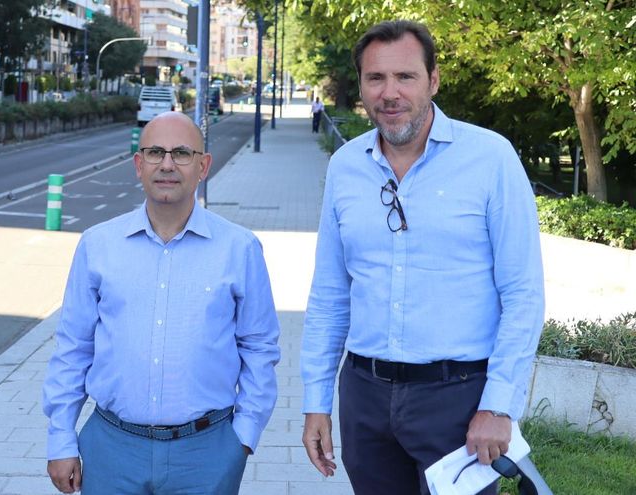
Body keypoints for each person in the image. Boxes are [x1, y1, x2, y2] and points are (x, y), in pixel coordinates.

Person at [300, 20, 545, 495]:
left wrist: (498, 407)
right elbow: (329, 295)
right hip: (364, 399)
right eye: (376, 79)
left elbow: (523, 293)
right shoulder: (345, 167)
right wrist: (316, 402)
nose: (390, 93)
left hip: (458, 401)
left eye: (405, 77)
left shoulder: (491, 159)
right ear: (362, 87)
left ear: (432, 81)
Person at [43, 111, 281, 494]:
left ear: (203, 166)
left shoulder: (240, 249)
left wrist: (243, 438)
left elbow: (259, 347)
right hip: (110, 451)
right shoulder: (97, 245)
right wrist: (61, 439)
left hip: (206, 454)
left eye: (182, 153)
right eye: (155, 152)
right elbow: (73, 348)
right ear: (139, 165)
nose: (167, 165)